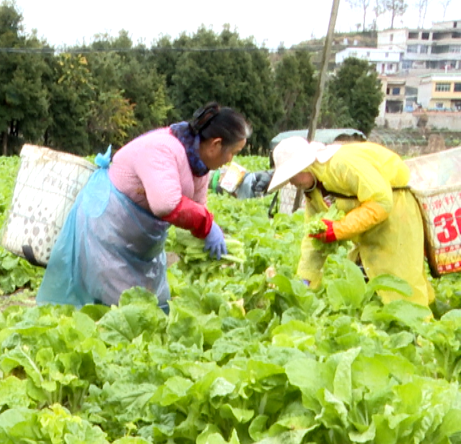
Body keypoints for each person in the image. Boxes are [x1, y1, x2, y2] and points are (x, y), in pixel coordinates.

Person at [36, 103, 250, 309]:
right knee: (116, 303)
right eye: (233, 152)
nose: (231, 160)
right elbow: (166, 204)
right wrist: (206, 224)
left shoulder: (200, 165)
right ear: (216, 144)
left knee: (150, 301)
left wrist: (206, 233)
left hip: (140, 238)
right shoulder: (163, 149)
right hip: (110, 226)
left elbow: (196, 207)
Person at [266, 136, 434, 307]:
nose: (291, 183)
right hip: (368, 229)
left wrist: (338, 229)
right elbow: (314, 239)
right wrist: (305, 280)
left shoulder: (342, 163)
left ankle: (420, 329)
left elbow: (381, 201)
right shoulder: (314, 191)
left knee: (402, 280)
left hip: (397, 217)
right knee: (368, 282)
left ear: (303, 167)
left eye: (291, 177)